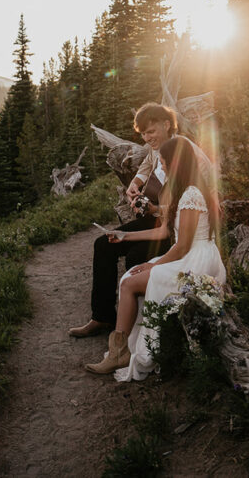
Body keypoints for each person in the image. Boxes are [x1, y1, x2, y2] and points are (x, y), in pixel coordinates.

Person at [85, 135, 227, 379]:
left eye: (163, 162)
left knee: (130, 281)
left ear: (175, 163)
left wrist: (153, 267)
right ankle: (120, 349)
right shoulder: (185, 190)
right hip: (189, 254)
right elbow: (163, 231)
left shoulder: (192, 193)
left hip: (197, 258)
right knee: (130, 276)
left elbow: (182, 246)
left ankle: (119, 353)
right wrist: (124, 236)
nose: (160, 167)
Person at [67, 103, 177, 338]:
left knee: (136, 257)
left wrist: (156, 207)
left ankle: (140, 326)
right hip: (153, 220)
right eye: (143, 134)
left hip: (173, 228)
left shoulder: (182, 152)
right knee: (103, 244)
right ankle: (102, 317)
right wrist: (135, 185)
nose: (148, 138)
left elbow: (188, 203)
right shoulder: (156, 148)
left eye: (151, 132)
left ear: (167, 125)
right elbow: (148, 163)